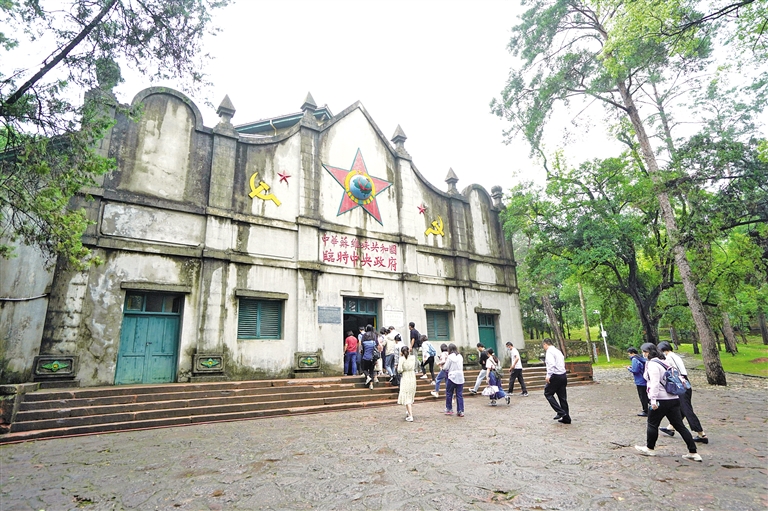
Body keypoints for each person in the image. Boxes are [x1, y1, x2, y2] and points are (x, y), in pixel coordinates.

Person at [635, 342, 701, 462]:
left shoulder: (653, 364)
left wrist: (653, 400)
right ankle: (693, 451)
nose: (643, 354)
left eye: (644, 352)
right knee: (679, 426)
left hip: (660, 399)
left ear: (648, 352)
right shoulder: (664, 361)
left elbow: (654, 383)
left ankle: (650, 448)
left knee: (652, 424)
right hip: (673, 398)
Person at [656, 341, 708, 443]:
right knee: (681, 407)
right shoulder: (675, 356)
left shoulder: (669, 357)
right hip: (684, 382)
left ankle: (701, 434)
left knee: (686, 409)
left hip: (680, 383)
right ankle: (671, 427)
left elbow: (670, 370)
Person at [542, 338, 570, 424]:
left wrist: (548, 375)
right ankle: (566, 418)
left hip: (555, 375)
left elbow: (551, 364)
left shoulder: (549, 352)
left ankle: (560, 411)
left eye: (543, 346)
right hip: (563, 375)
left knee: (547, 393)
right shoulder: (558, 351)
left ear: (545, 344)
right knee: (562, 397)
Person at [443, 343, 465, 417]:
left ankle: (449, 409)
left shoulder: (449, 357)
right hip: (460, 376)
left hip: (452, 376)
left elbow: (446, 367)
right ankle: (460, 410)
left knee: (449, 393)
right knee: (459, 394)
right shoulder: (460, 356)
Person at [397, 346, 417, 422]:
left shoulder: (401, 359)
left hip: (405, 376)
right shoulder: (413, 357)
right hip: (412, 376)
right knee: (410, 394)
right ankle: (408, 411)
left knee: (406, 396)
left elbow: (399, 369)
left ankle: (410, 415)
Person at [627, 347, 648, 417]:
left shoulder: (634, 359)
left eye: (629, 354)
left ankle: (646, 410)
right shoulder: (641, 358)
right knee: (647, 396)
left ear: (632, 353)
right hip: (645, 379)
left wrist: (629, 368)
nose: (629, 355)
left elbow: (635, 370)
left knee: (642, 396)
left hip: (640, 380)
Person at [360, 325, 377, 389]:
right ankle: (371, 385)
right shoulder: (374, 336)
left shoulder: (364, 336)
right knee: (371, 371)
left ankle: (367, 377)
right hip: (373, 357)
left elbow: (362, 346)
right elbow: (376, 346)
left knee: (364, 368)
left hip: (365, 356)